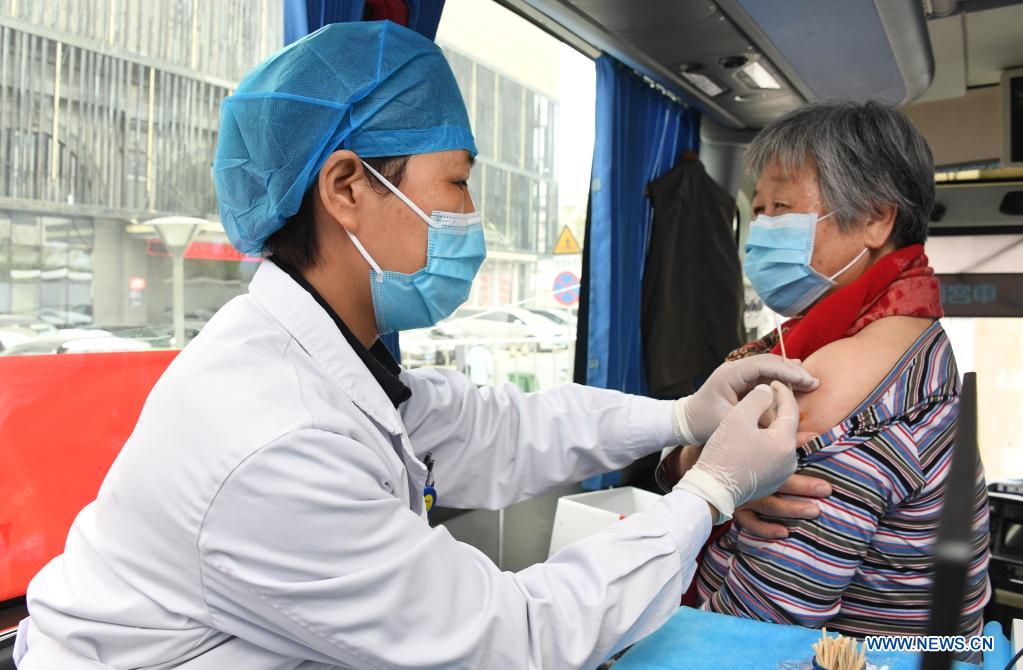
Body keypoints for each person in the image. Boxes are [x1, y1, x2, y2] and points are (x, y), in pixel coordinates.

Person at [13, 22, 817, 670]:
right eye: (458, 183)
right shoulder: (275, 435)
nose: (473, 217)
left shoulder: (328, 356)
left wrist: (680, 417)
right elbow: (512, 640)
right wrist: (707, 494)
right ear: (347, 189)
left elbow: (498, 428)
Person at [658, 101, 990, 653]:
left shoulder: (839, 395)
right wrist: (712, 474)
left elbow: (748, 636)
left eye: (782, 207)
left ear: (876, 219)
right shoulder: (905, 338)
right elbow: (680, 454)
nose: (760, 232)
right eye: (758, 209)